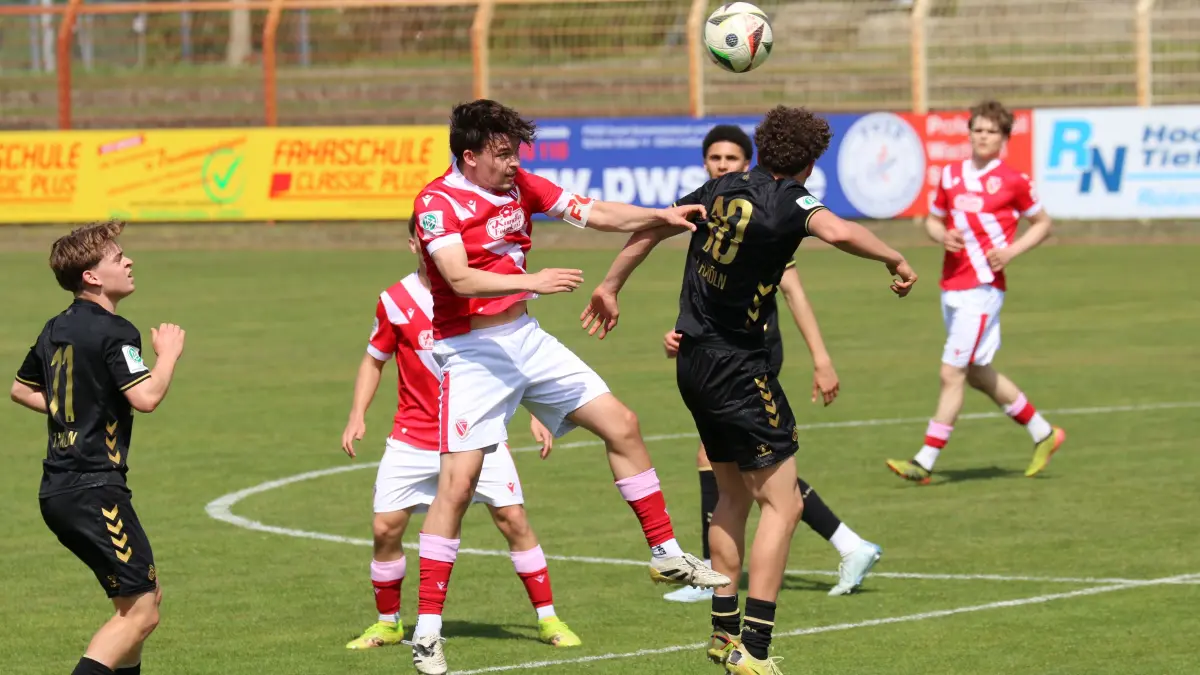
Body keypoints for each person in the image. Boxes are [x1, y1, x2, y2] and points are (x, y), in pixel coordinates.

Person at [580, 106, 917, 674]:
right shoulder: (792, 202)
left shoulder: (718, 186)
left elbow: (656, 228)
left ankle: (721, 631)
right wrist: (895, 256)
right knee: (781, 505)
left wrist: (610, 285)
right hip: (740, 368)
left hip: (692, 363)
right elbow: (838, 230)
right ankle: (754, 650)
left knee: (731, 497)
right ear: (811, 164)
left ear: (759, 149)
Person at [407, 99, 729, 674]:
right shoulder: (436, 203)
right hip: (471, 351)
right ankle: (428, 632)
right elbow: (455, 277)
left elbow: (594, 211)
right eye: (503, 154)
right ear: (470, 155)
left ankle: (664, 553)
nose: (514, 164)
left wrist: (663, 215)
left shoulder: (522, 185)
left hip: (525, 339)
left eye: (516, 153)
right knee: (456, 487)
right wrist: (533, 278)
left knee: (622, 424)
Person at [658, 125, 883, 605]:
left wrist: (822, 359)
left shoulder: (770, 215)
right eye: (714, 158)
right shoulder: (719, 208)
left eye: (731, 157)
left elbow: (794, 289)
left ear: (749, 160)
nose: (722, 165)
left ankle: (722, 584)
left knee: (751, 473)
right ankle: (843, 544)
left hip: (749, 353)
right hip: (718, 349)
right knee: (749, 471)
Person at [340, 216, 580, 651]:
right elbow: (374, 359)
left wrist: (538, 411)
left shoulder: (483, 294)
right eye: (425, 242)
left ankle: (549, 620)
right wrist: (358, 414)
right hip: (414, 435)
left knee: (513, 520)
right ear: (415, 242)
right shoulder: (394, 300)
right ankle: (388, 623)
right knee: (385, 528)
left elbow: (521, 356)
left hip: (478, 432)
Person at [10, 220, 186, 675]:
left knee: (141, 600)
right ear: (91, 276)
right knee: (143, 612)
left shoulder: (55, 328)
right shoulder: (116, 331)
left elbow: (19, 388)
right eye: (116, 257)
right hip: (94, 490)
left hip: (60, 491)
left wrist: (75, 410)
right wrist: (166, 354)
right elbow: (145, 398)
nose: (128, 261)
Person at [885, 100, 1064, 484]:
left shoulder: (1014, 180)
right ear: (969, 133)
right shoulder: (950, 175)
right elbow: (932, 221)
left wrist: (1012, 251)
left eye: (991, 131)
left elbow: (1043, 223)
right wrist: (942, 235)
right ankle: (1044, 434)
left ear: (1003, 138)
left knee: (952, 372)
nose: (983, 136)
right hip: (951, 285)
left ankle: (924, 460)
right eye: (978, 129)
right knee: (979, 374)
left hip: (983, 289)